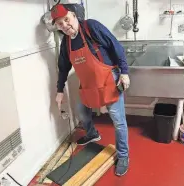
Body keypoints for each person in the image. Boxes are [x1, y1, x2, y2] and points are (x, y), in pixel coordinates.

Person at [51, 4, 130, 176]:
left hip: (109, 79)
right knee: (82, 112)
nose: (64, 25)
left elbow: (116, 46)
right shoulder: (66, 42)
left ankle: (123, 156)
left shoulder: (91, 27)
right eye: (59, 23)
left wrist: (124, 72)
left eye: (66, 19)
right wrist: (59, 91)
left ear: (73, 15)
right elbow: (63, 67)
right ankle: (92, 133)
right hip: (88, 84)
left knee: (118, 121)